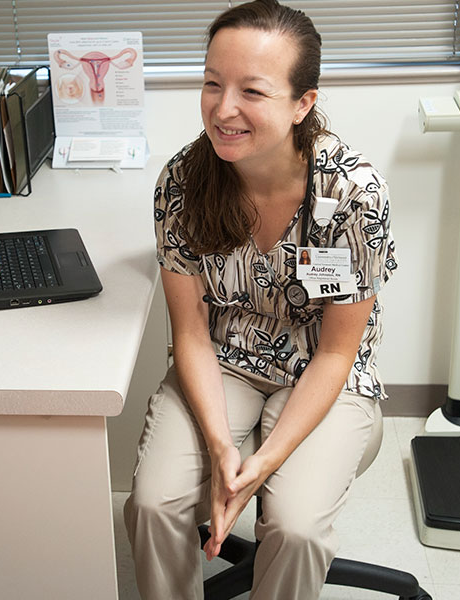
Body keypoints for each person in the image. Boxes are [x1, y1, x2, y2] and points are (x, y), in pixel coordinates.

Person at [123, 1, 397, 598]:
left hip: (323, 372)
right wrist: (224, 449)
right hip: (222, 360)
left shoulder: (351, 195)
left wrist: (259, 469)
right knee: (151, 504)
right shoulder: (182, 184)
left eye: (252, 91)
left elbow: (336, 353)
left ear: (304, 103)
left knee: (295, 528)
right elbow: (190, 332)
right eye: (212, 84)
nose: (224, 110)